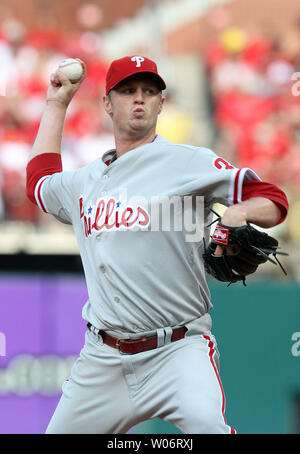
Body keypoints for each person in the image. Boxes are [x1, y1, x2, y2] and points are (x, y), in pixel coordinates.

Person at [26, 55, 288, 434]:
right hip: (103, 359)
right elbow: (39, 182)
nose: (140, 99)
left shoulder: (188, 162)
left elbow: (273, 199)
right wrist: (56, 104)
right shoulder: (85, 181)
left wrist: (237, 213)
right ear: (107, 103)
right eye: (128, 91)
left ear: (161, 104)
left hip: (177, 350)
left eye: (150, 92)